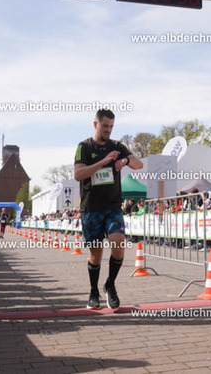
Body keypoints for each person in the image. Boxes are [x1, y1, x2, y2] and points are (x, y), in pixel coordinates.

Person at [74, 109, 143, 310]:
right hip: (91, 208)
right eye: (105, 126)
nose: (108, 130)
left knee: (118, 244)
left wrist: (126, 161)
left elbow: (138, 164)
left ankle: (110, 285)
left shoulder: (117, 146)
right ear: (95, 124)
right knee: (95, 255)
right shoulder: (84, 147)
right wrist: (103, 162)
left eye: (111, 126)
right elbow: (78, 174)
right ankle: (93, 291)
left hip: (112, 206)